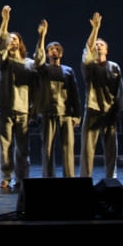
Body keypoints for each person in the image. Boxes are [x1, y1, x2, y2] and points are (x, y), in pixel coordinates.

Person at [79, 12, 123, 182]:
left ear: (107, 50)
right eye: (97, 44)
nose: (98, 46)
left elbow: (120, 89)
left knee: (111, 147)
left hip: (109, 111)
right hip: (93, 109)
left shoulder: (114, 67)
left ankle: (111, 176)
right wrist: (95, 30)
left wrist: (117, 110)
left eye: (102, 44)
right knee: (87, 147)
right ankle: (85, 177)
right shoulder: (89, 66)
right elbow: (88, 51)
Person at [0, 4, 37, 193]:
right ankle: (5, 177)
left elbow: (35, 87)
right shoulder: (4, 61)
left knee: (23, 147)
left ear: (20, 43)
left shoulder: (29, 63)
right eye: (9, 39)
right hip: (6, 107)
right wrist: (5, 22)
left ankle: (22, 178)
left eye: (15, 39)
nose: (11, 41)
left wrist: (33, 109)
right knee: (5, 145)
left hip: (23, 109)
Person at [34, 18, 81, 178]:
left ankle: (69, 177)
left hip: (65, 114)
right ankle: (48, 178)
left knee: (68, 148)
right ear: (47, 53)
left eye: (57, 49)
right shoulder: (43, 69)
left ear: (61, 53)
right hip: (48, 113)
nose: (54, 51)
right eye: (51, 49)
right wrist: (42, 36)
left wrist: (77, 115)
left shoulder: (68, 70)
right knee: (47, 148)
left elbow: (74, 94)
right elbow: (38, 58)